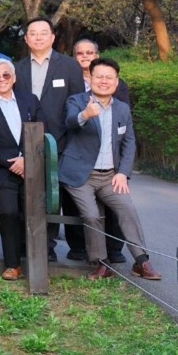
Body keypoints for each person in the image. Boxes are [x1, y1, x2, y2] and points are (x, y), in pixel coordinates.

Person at [60, 59, 161, 281]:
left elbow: (129, 142)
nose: (104, 81)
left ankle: (141, 260)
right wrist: (85, 115)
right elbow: (69, 122)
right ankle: (102, 263)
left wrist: (123, 172)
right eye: (99, 77)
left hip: (109, 176)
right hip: (80, 175)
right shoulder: (77, 101)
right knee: (92, 215)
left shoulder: (122, 108)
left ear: (116, 82)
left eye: (109, 77)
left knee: (127, 208)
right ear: (91, 79)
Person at [14, 16, 86, 261]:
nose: (38, 37)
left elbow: (77, 103)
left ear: (53, 37)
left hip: (60, 141)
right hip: (25, 141)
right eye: (32, 33)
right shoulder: (18, 68)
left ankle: (48, 247)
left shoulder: (69, 67)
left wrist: (67, 139)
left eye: (43, 33)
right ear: (26, 38)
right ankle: (28, 244)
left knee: (52, 195)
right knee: (28, 195)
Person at [0, 58, 40, 280]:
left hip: (31, 167)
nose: (1, 79)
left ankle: (37, 265)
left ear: (14, 78)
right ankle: (12, 265)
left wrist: (25, 159)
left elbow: (40, 131)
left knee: (34, 213)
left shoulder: (30, 101)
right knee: (9, 213)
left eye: (6, 75)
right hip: (1, 170)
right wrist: (11, 162)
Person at [73, 38, 130, 263]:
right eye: (80, 53)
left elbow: (124, 120)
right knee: (82, 207)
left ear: (97, 54)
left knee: (115, 204)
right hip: (80, 153)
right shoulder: (73, 82)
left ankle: (114, 248)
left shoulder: (116, 83)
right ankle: (79, 247)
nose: (85, 57)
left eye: (90, 52)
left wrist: (123, 169)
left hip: (110, 156)